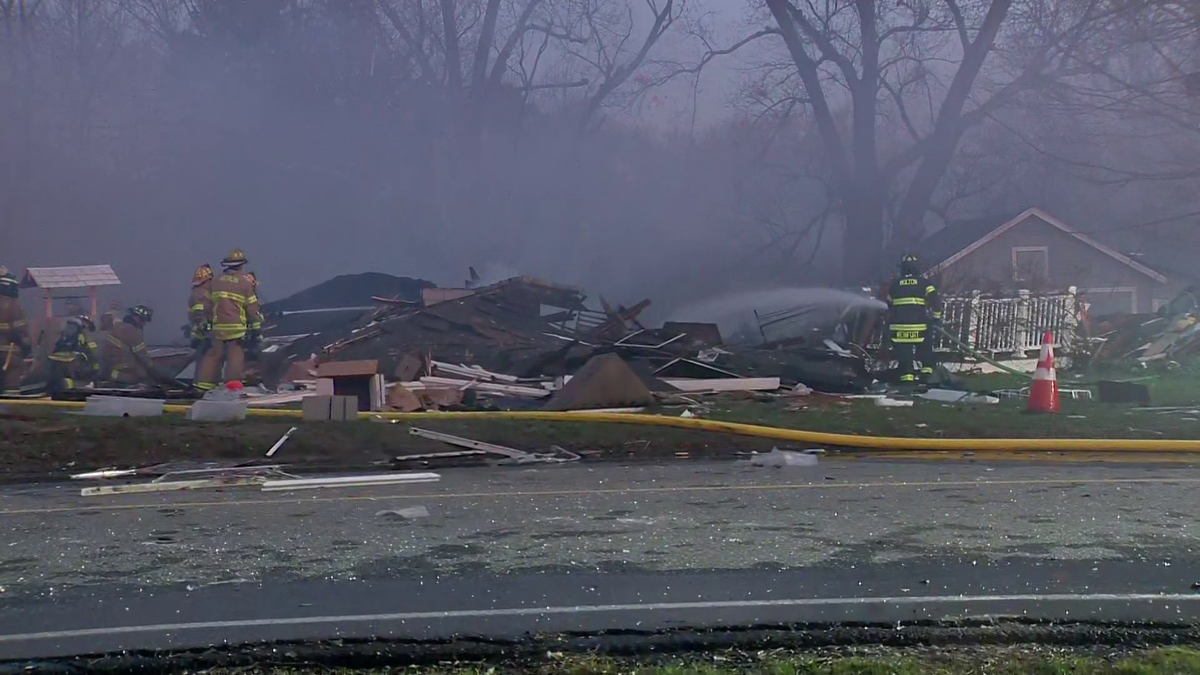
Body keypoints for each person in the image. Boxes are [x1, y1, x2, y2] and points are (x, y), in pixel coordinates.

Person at [195, 249, 261, 392]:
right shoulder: (244, 284)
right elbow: (252, 308)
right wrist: (256, 327)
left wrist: (206, 322)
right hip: (236, 328)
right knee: (235, 356)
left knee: (214, 354)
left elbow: (207, 305)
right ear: (241, 266)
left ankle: (204, 385)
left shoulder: (215, 281)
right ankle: (232, 387)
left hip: (217, 327)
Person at [886, 253, 941, 384]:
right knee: (925, 349)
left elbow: (889, 304)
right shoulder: (925, 284)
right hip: (920, 327)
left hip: (899, 328)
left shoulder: (894, 285)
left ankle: (907, 377)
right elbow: (935, 301)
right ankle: (926, 375)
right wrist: (936, 318)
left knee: (904, 353)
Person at [101, 305, 155, 385]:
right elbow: (142, 356)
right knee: (143, 376)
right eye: (143, 320)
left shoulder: (117, 327)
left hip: (109, 371)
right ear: (137, 318)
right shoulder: (133, 331)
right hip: (123, 372)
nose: (143, 324)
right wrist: (154, 369)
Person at [47, 315, 99, 394]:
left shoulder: (64, 337)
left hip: (56, 384)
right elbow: (93, 355)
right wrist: (94, 373)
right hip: (71, 387)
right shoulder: (83, 335)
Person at [0, 267, 32, 395]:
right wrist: (26, 347)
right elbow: (22, 333)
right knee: (10, 391)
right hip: (9, 356)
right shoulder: (13, 305)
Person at [188, 264, 214, 358]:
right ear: (207, 280)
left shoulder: (197, 292)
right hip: (204, 335)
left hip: (200, 334)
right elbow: (199, 314)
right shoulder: (201, 294)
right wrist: (205, 325)